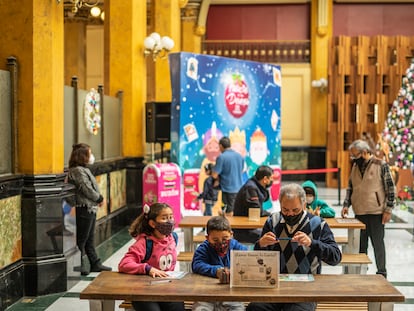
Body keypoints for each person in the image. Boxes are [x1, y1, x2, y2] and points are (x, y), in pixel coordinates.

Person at [247, 183, 341, 311]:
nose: (290, 214)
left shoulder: (318, 224)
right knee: (255, 308)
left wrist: (312, 243)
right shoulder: (273, 221)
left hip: (305, 288)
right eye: (285, 210)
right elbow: (258, 259)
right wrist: (260, 244)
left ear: (304, 205)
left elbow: (335, 257)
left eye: (295, 210)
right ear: (280, 205)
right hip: (274, 284)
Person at [341, 139, 395, 278]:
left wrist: (388, 209)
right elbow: (350, 187)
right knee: (360, 246)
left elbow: (390, 188)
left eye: (355, 155)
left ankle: (382, 272)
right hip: (359, 212)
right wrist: (346, 205)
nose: (353, 158)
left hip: (376, 213)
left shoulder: (380, 165)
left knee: (378, 244)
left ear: (365, 152)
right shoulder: (355, 167)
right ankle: (361, 273)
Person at [118, 202, 185, 311]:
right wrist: (148, 269)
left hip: (167, 287)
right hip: (143, 290)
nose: (169, 221)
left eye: (171, 217)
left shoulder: (173, 237)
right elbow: (124, 264)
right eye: (164, 218)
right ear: (153, 224)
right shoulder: (144, 243)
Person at [67, 143, 112, 276]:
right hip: (84, 208)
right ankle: (79, 265)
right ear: (82, 156)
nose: (91, 156)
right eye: (89, 153)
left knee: (89, 238)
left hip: (90, 208)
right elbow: (86, 188)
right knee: (82, 239)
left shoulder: (83, 169)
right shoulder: (77, 171)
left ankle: (95, 263)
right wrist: (99, 198)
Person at [191, 216, 247, 311]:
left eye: (225, 238)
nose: (221, 243)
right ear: (207, 238)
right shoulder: (203, 249)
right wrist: (216, 270)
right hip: (206, 295)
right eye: (215, 240)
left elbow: (248, 260)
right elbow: (197, 264)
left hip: (231, 294)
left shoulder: (237, 247)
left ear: (231, 234)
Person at [233, 165, 273, 244]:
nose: (272, 180)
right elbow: (256, 211)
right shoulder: (251, 188)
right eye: (271, 178)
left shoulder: (256, 186)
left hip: (250, 226)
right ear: (265, 179)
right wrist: (271, 215)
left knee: (271, 234)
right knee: (271, 238)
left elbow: (264, 199)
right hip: (243, 230)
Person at [212, 136, 244, 216]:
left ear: (220, 146)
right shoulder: (240, 156)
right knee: (236, 211)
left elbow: (215, 175)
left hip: (228, 190)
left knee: (228, 213)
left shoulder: (221, 157)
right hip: (239, 189)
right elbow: (241, 170)